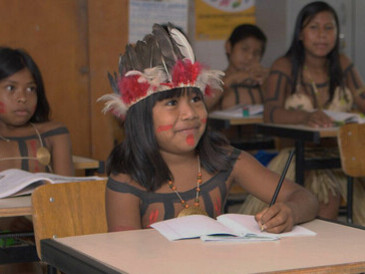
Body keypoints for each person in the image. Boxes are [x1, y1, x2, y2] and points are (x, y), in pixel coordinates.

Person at [99, 23, 318, 233]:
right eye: (172, 103)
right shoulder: (127, 181)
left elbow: (305, 198)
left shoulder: (226, 160)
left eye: (195, 99)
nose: (190, 113)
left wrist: (290, 211)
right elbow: (123, 261)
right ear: (142, 117)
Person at [239, 1, 365, 224]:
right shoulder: (285, 66)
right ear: (300, 33)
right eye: (314, 28)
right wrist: (306, 117)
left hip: (339, 158)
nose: (322, 35)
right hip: (297, 156)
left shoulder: (343, 64)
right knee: (327, 197)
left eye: (329, 28)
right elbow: (271, 113)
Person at [0, 47, 74, 233]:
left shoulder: (53, 134)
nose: (23, 98)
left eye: (31, 89)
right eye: (11, 88)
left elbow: (66, 198)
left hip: (44, 230)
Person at [205, 23, 269, 111]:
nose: (250, 57)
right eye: (244, 49)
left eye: (256, 53)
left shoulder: (263, 81)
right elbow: (201, 108)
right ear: (228, 47)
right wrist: (231, 79)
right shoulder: (213, 80)